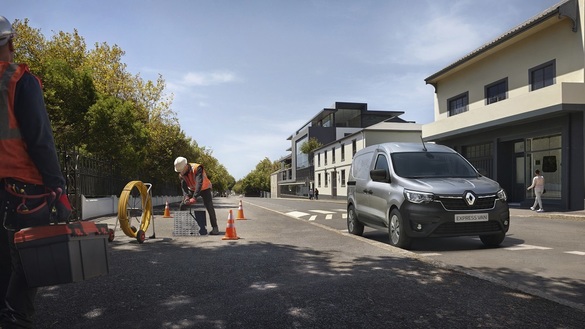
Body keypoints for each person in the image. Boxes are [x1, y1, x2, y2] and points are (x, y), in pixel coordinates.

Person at [0, 16, 72, 328]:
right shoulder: (19, 80)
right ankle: (17, 320)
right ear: (11, 44)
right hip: (25, 191)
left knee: (3, 264)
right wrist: (57, 186)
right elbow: (40, 140)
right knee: (29, 265)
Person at [174, 156, 219, 235]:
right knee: (183, 205)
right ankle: (182, 227)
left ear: (186, 166)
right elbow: (183, 187)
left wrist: (194, 197)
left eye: (181, 170)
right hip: (192, 189)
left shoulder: (197, 168)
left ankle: (215, 228)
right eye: (179, 171)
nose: (180, 173)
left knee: (209, 207)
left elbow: (199, 183)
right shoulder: (181, 174)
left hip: (204, 188)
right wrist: (186, 197)